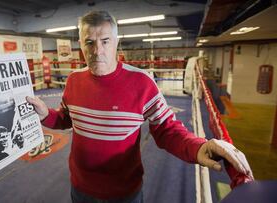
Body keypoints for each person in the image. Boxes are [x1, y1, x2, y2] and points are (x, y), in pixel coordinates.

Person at [26, 10, 254, 203]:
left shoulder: (142, 83)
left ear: (116, 42)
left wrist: (198, 147)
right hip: (80, 188)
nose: (97, 50)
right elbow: (67, 118)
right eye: (89, 42)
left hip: (124, 193)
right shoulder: (74, 80)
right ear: (81, 45)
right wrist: (46, 114)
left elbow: (167, 129)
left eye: (105, 41)